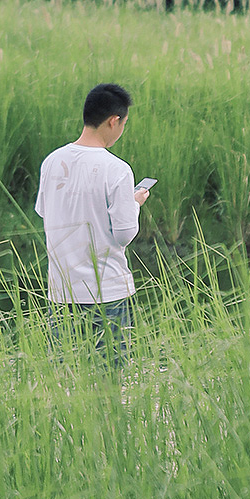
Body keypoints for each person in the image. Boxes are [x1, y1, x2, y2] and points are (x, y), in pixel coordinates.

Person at [34, 82, 152, 365]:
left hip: (62, 293)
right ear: (114, 121)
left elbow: (44, 212)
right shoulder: (117, 169)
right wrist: (134, 203)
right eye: (123, 123)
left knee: (66, 381)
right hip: (107, 293)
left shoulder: (51, 161)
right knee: (108, 383)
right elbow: (124, 234)